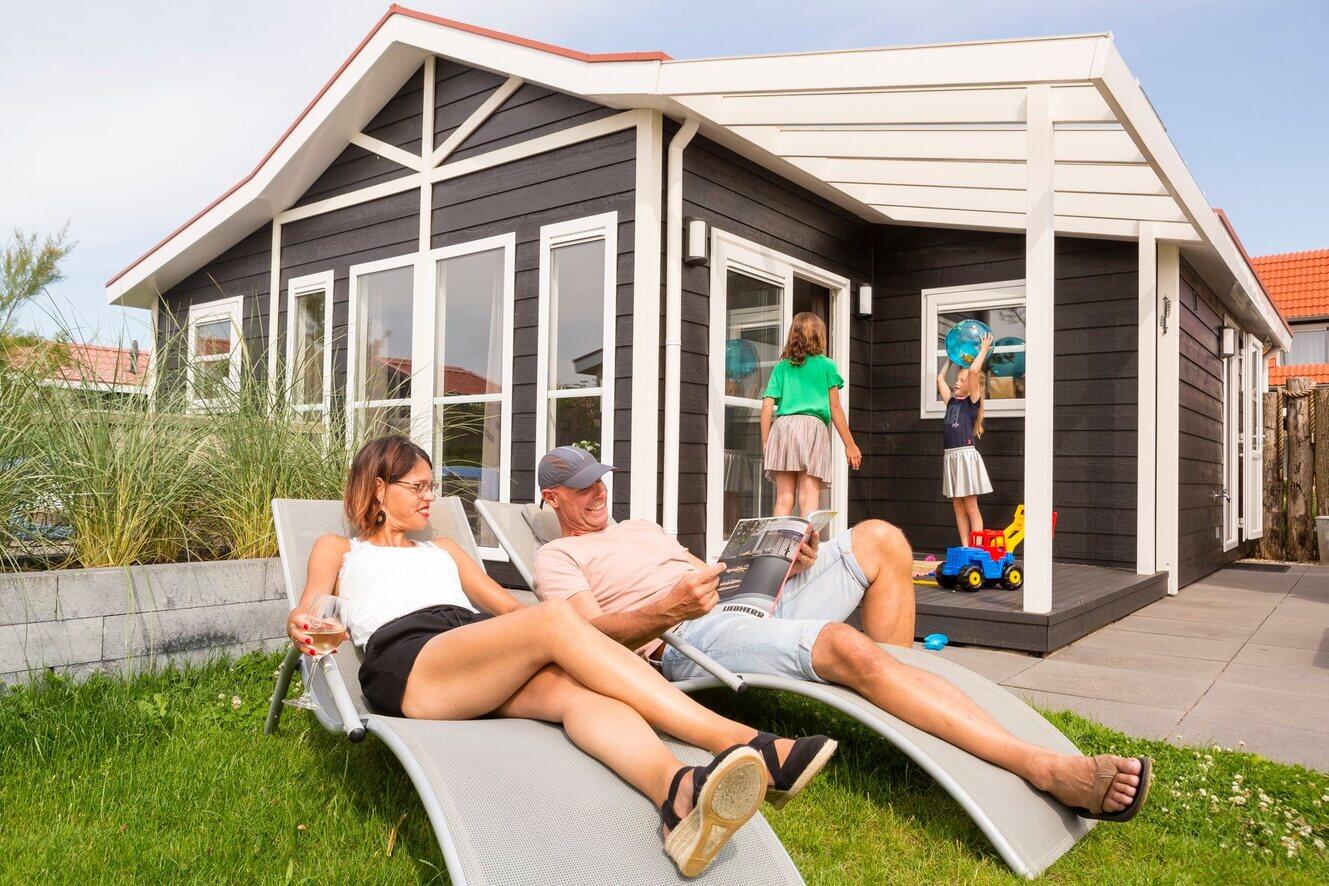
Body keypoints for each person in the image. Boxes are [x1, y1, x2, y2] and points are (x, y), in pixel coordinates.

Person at [286, 436, 836, 878]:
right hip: (409, 659)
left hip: (472, 650)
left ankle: (677, 793)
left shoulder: (444, 550)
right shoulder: (341, 549)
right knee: (554, 621)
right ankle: (746, 743)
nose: (430, 496)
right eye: (418, 486)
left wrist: (560, 637)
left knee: (579, 694)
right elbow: (310, 610)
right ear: (379, 489)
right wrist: (301, 624)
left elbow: (507, 609)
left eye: (433, 486)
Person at [533, 445, 1151, 823]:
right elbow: (589, 640)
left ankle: (902, 694)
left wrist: (782, 560)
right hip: (687, 638)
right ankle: (1044, 768)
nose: (599, 492)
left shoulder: (641, 526)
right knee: (842, 643)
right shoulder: (557, 557)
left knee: (881, 538)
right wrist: (667, 608)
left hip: (733, 598)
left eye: (601, 479)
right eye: (583, 487)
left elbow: (710, 572)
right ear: (552, 498)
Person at [761, 312, 861, 517]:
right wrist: (850, 444)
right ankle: (806, 540)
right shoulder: (826, 365)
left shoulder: (782, 367)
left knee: (783, 500)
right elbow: (835, 408)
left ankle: (781, 539)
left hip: (783, 427)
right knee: (808, 499)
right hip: (812, 428)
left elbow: (767, 405)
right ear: (819, 335)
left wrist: (766, 442)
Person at [936, 332, 994, 546]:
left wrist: (983, 349)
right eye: (957, 380)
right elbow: (940, 379)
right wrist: (950, 359)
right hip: (951, 457)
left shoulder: (972, 403)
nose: (957, 383)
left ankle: (976, 548)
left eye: (962, 381)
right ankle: (965, 546)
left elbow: (973, 371)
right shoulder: (951, 402)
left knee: (970, 506)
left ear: (972, 386)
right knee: (957, 507)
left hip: (965, 457)